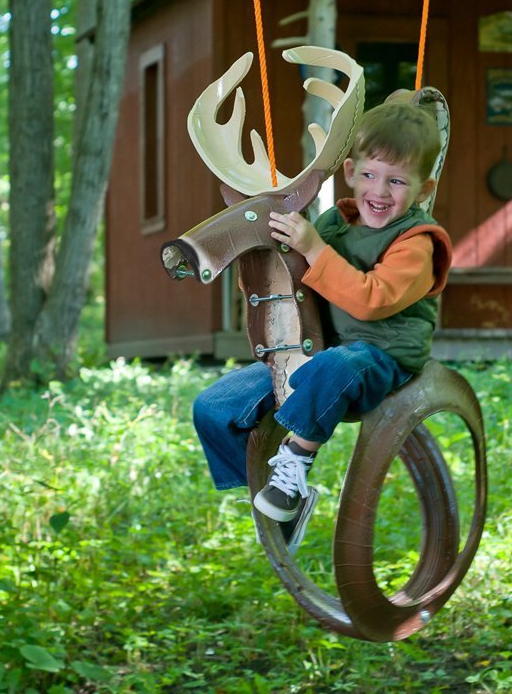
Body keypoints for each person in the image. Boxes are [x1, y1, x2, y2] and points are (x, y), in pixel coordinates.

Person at [192, 94, 452, 552]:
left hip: (381, 357)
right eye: (369, 175)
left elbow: (372, 300)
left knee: (339, 366)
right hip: (320, 351)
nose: (379, 191)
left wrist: (314, 249)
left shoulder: (418, 242)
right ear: (349, 172)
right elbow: (293, 286)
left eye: (397, 181)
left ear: (423, 190)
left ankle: (294, 462)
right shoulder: (335, 223)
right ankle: (274, 498)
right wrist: (268, 259)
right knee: (214, 406)